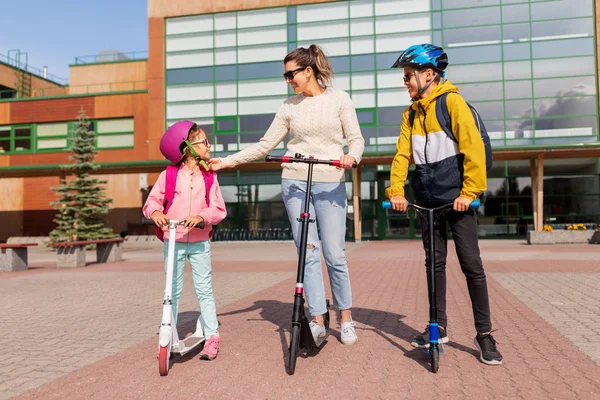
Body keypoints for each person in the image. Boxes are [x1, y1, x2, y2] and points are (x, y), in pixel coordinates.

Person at [209, 44, 365, 346]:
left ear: (308, 71)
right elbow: (265, 145)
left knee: (334, 253)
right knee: (306, 251)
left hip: (330, 179)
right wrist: (227, 161)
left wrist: (352, 156)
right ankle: (318, 317)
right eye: (285, 75)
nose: (287, 79)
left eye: (290, 74)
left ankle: (345, 316)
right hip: (295, 180)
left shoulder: (339, 100)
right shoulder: (289, 106)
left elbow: (356, 139)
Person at [385, 44, 502, 365]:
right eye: (405, 76)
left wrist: (470, 192)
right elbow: (402, 156)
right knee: (433, 266)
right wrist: (396, 191)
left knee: (471, 266)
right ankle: (439, 326)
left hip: (458, 201)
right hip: (426, 202)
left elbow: (473, 149)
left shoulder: (452, 103)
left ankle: (485, 335)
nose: (405, 81)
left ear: (429, 74)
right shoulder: (410, 114)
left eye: (408, 75)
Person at [143, 121, 227, 360]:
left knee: (204, 290)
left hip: (199, 242)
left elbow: (219, 209)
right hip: (174, 240)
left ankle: (212, 336)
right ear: (189, 147)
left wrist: (202, 216)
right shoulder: (168, 175)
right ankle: (168, 331)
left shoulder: (209, 176)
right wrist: (156, 213)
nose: (209, 146)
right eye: (204, 142)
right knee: (172, 291)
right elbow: (152, 203)